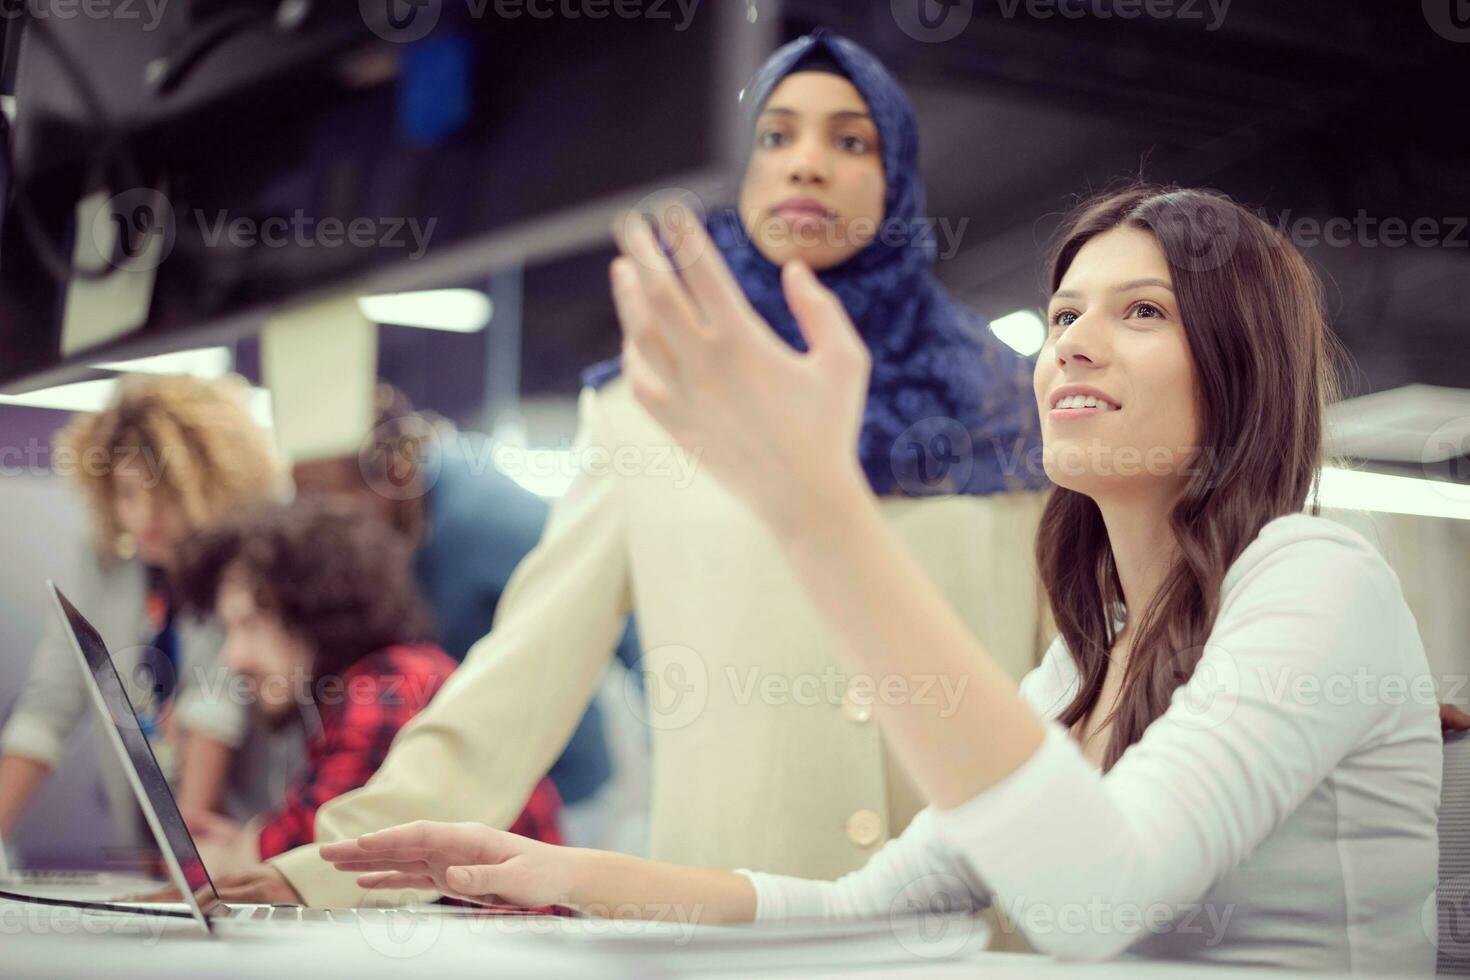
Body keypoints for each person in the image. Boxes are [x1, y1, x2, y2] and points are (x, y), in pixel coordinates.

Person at [323, 186, 1443, 973]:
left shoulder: (1316, 579)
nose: (1072, 346)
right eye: (1062, 317)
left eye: (1140, 311)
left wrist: (819, 508)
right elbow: (855, 907)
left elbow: (1095, 899)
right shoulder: (1090, 651)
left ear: (1242, 363)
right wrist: (557, 872)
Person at [213, 29, 1052, 908]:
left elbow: (1072, 686)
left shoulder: (1005, 406)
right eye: (775, 135)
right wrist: (315, 872)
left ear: (899, 176)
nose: (808, 163)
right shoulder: (646, 408)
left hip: (976, 932)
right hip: (728, 927)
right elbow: (521, 677)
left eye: (851, 139)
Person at [290, 385, 641, 841]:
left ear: (392, 472)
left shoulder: (488, 517)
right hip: (465, 782)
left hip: (558, 794)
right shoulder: (388, 528)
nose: (313, 521)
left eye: (323, 498)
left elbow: (624, 618)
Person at [169, 501, 563, 876]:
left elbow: (307, 859)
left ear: (316, 611)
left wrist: (222, 860)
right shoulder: (390, 676)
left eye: (251, 624)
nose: (234, 657)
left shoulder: (385, 694)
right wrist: (245, 846)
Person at [0, 374, 283, 850]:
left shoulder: (244, 564)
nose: (146, 516)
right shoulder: (110, 561)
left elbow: (215, 709)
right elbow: (51, 700)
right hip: (151, 838)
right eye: (129, 494)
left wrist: (188, 856)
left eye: (166, 495)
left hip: (230, 840)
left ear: (214, 484)